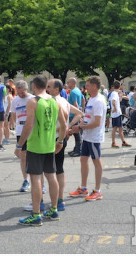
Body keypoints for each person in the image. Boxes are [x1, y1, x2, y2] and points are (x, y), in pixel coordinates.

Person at [16, 76, 66, 225]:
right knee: (51, 176)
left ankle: (36, 214)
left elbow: (28, 125)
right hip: (50, 145)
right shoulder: (55, 101)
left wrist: (19, 145)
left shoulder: (33, 101)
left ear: (34, 86)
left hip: (36, 145)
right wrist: (60, 141)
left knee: (36, 178)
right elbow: (64, 124)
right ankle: (54, 209)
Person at [47, 79, 82, 212]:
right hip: (61, 138)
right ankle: (60, 200)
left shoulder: (54, 101)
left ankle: (52, 202)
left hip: (54, 139)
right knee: (59, 170)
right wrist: (69, 126)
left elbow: (78, 114)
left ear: (56, 89)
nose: (46, 89)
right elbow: (80, 113)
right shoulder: (64, 101)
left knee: (50, 172)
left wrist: (64, 127)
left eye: (49, 87)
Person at [68, 76, 106, 201]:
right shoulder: (91, 99)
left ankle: (98, 191)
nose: (86, 87)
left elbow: (97, 122)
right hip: (87, 136)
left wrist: (80, 127)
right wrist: (81, 123)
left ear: (95, 86)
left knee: (96, 161)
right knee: (83, 160)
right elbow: (88, 117)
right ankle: (83, 188)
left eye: (88, 85)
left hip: (94, 137)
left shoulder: (99, 100)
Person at [10, 80, 34, 193]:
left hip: (33, 131)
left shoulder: (33, 99)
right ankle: (26, 180)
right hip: (21, 131)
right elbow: (14, 115)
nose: (20, 95)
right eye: (18, 93)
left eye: (22, 93)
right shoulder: (15, 100)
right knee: (23, 155)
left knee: (35, 156)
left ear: (27, 89)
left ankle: (39, 182)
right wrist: (13, 127)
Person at [109, 81, 130, 148]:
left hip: (117, 113)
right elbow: (113, 101)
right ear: (119, 86)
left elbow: (119, 100)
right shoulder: (114, 94)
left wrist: (120, 95)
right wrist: (115, 108)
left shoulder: (115, 93)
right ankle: (113, 142)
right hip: (116, 113)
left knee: (120, 128)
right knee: (115, 128)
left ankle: (123, 141)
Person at [66, 78, 84, 157]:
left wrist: (78, 114)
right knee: (76, 133)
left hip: (73, 116)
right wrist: (82, 111)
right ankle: (76, 149)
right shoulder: (78, 90)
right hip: (76, 114)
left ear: (72, 83)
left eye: (68, 82)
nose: (67, 84)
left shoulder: (73, 92)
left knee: (76, 134)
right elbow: (83, 99)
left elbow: (75, 104)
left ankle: (78, 150)